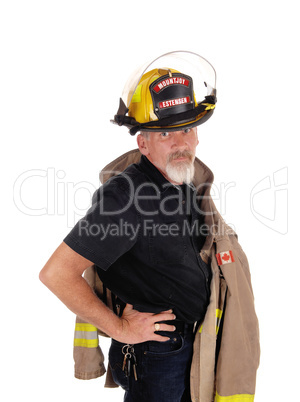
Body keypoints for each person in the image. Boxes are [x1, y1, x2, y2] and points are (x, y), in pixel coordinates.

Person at [40, 52, 260, 402]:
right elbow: (56, 274)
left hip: (188, 347)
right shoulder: (125, 198)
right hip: (156, 356)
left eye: (187, 129)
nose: (181, 143)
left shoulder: (181, 181)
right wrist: (121, 329)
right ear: (142, 143)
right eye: (166, 134)